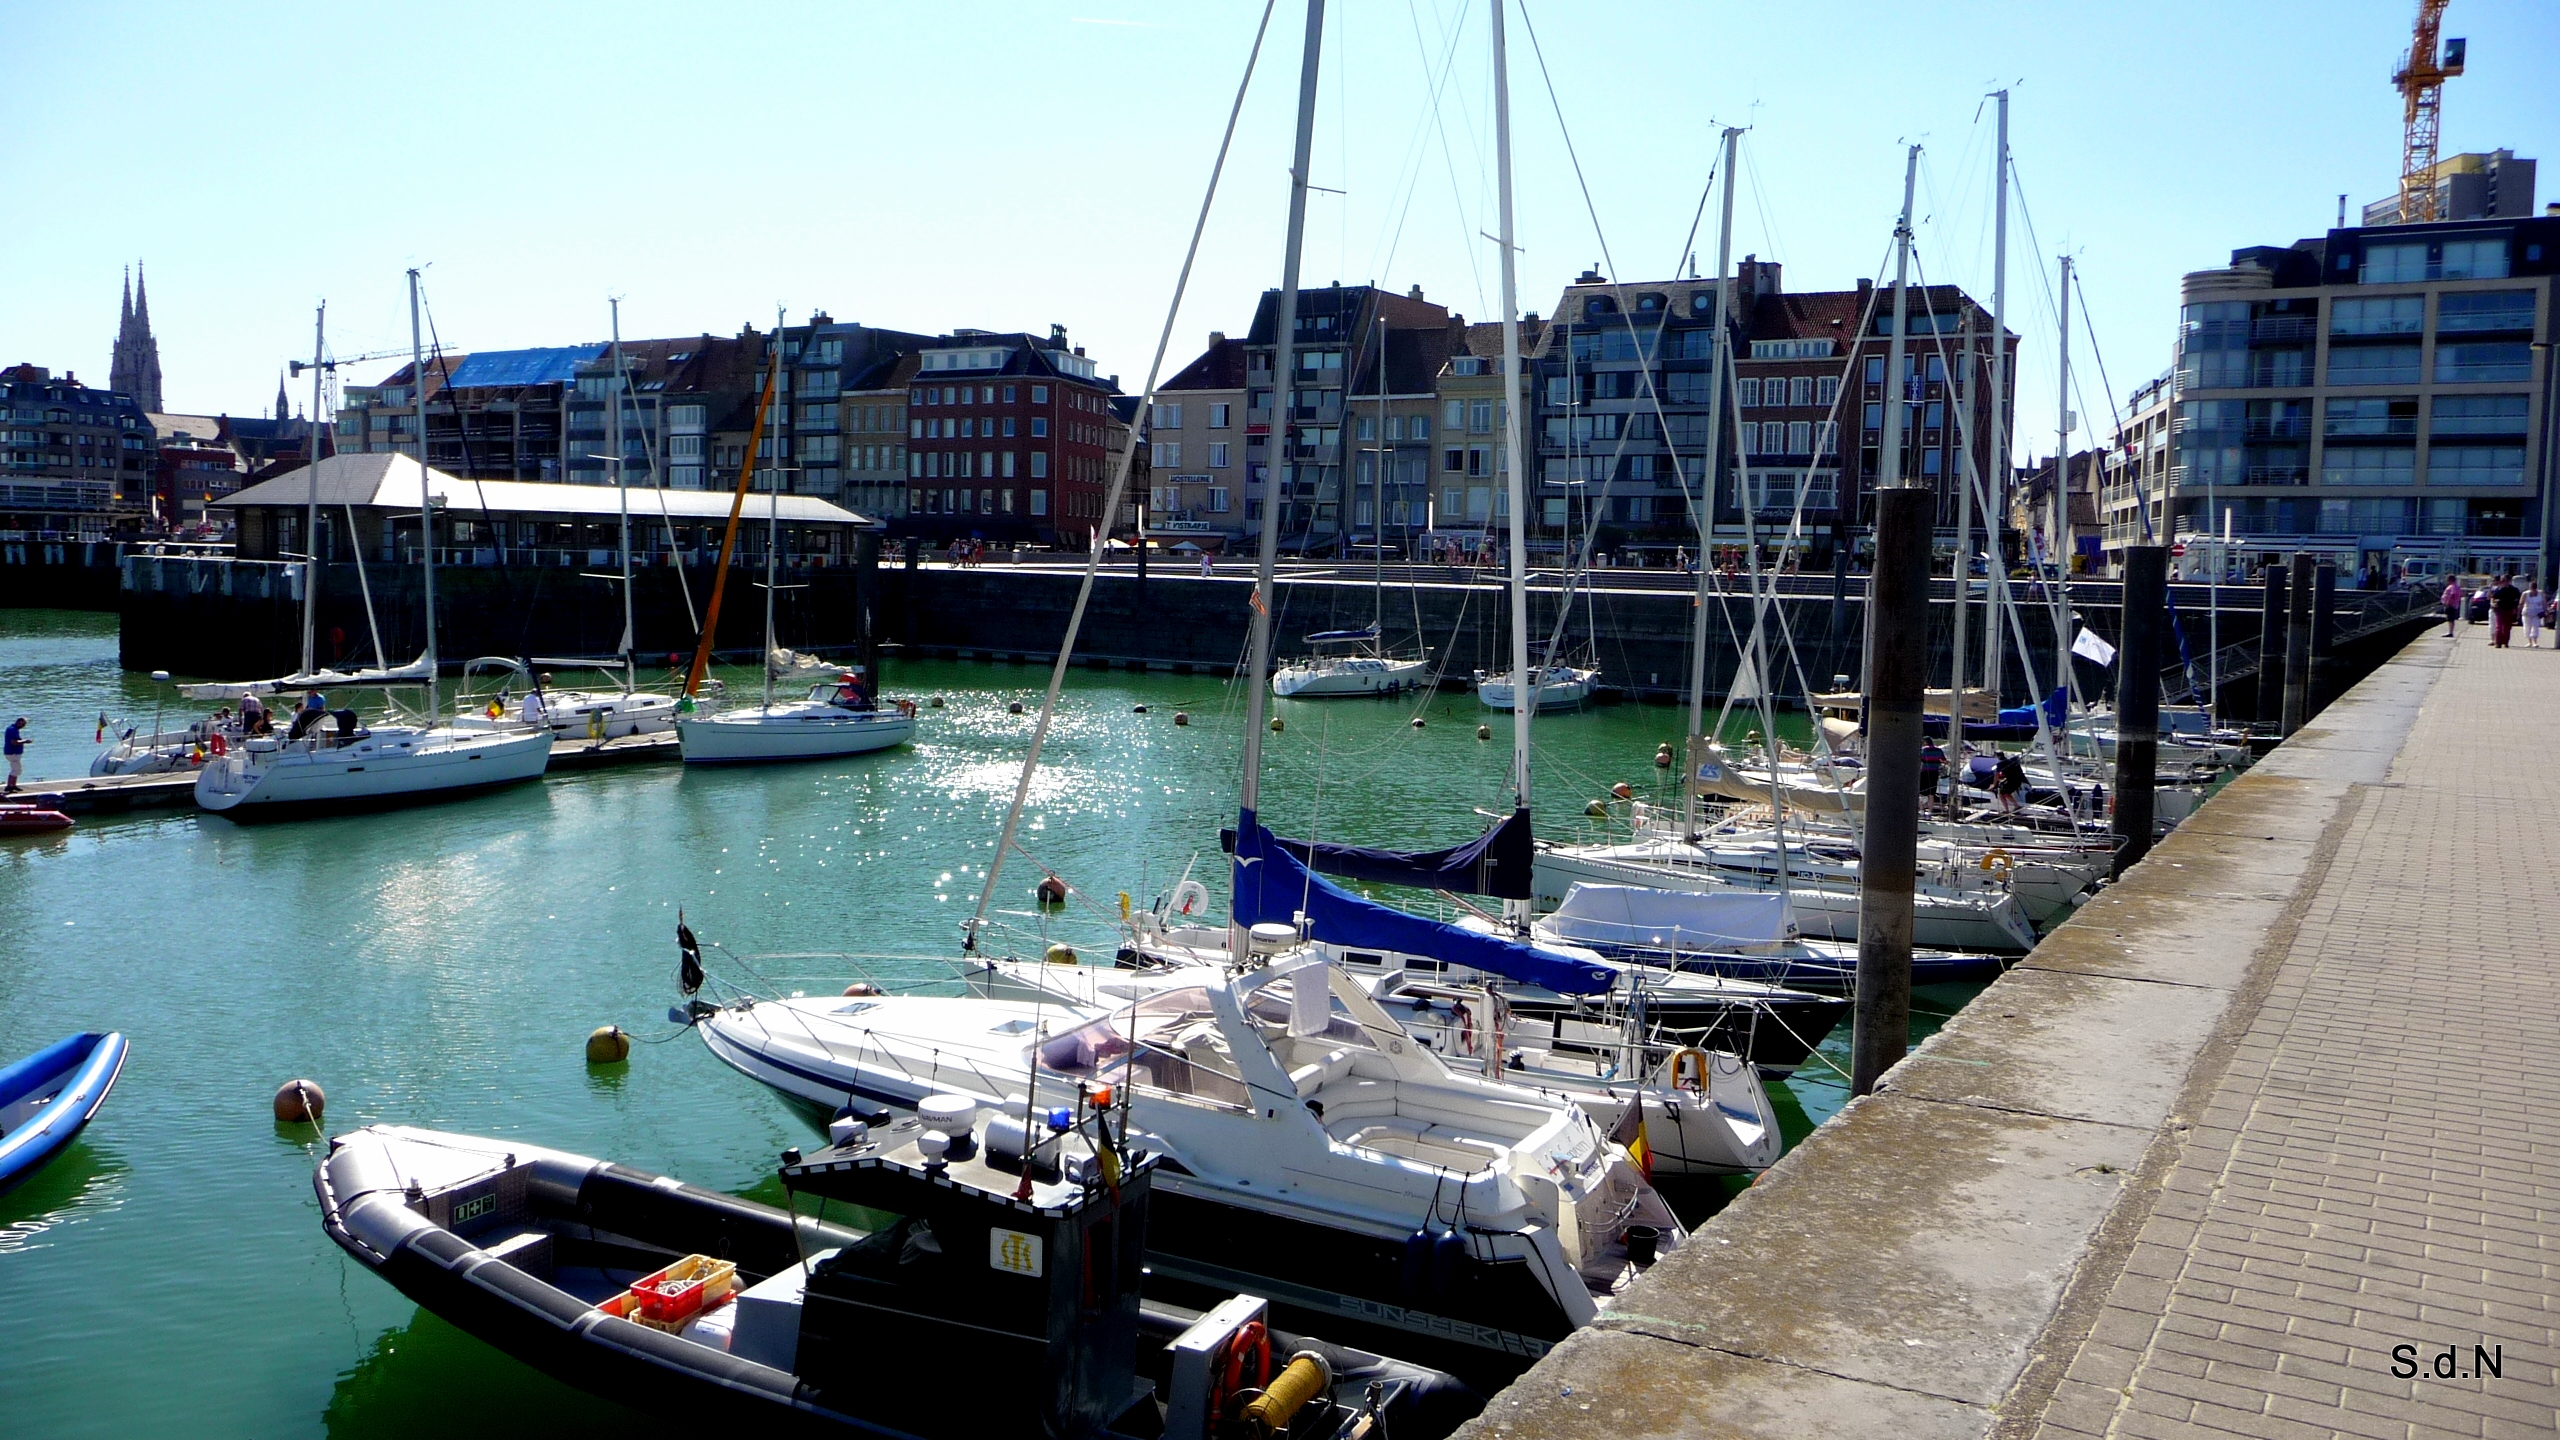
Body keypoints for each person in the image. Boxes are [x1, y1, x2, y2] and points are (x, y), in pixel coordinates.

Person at [2492, 573, 2522, 649]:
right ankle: (2498, 642)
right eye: (2502, 580)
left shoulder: (2514, 590)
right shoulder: (2498, 589)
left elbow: (2519, 599)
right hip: (2499, 609)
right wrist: (2493, 603)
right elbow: (2493, 597)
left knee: (2507, 627)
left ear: (2509, 581)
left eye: (2505, 580)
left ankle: (2505, 642)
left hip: (2509, 609)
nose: (2503, 582)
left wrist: (2516, 608)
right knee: (2499, 626)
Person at [1918, 737, 1945, 814]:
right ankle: (1929, 811)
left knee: (1921, 792)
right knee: (1931, 793)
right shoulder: (1939, 750)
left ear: (1925, 742)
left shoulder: (1923, 749)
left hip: (1925, 772)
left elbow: (1920, 759)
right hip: (1934, 772)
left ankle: (1921, 810)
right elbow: (1944, 760)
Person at [3, 715, 25, 793]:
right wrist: (25, 741)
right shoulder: (13, 730)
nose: (23, 726)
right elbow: (14, 742)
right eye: (22, 724)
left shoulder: (12, 729)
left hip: (12, 752)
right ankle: (9, 786)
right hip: (12, 753)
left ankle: (13, 785)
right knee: (16, 769)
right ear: (18, 722)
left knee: (16, 769)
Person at [2528, 581, 2548, 650]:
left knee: (2535, 627)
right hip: (2527, 613)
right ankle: (2529, 641)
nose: (2532, 590)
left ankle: (2535, 642)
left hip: (2537, 613)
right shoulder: (2526, 593)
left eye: (2533, 588)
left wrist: (2545, 610)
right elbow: (2521, 603)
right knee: (2528, 627)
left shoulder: (2541, 593)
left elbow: (2544, 602)